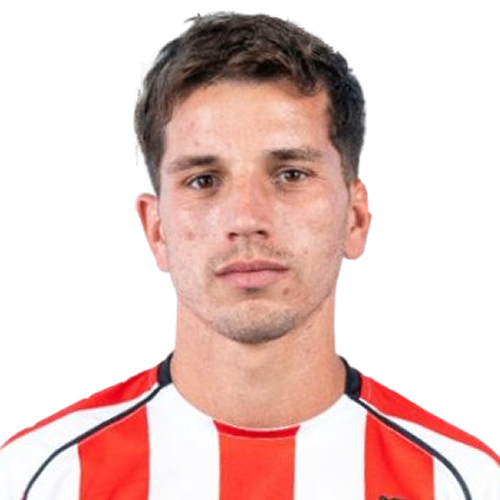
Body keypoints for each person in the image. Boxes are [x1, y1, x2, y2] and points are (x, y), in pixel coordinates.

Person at [1, 10, 498, 500]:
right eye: (203, 180)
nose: (246, 218)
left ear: (356, 217)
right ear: (155, 230)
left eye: (290, 174)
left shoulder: (467, 483)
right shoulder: (34, 479)